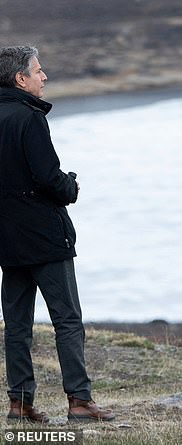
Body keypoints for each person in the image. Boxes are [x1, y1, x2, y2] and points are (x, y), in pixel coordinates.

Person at [0, 46, 114, 423]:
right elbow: (49, 177)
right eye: (38, 70)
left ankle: (19, 404)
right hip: (46, 239)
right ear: (20, 78)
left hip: (7, 239)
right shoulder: (29, 118)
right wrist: (71, 187)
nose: (44, 76)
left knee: (17, 325)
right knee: (67, 320)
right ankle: (79, 402)